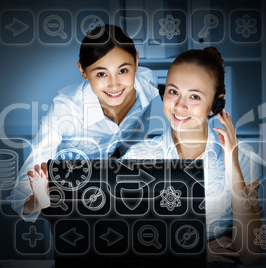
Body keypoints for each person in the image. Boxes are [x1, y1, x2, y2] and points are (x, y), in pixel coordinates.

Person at [122, 48, 265, 266]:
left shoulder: (244, 157)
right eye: (173, 92)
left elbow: (251, 254)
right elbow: (123, 243)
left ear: (216, 104)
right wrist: (193, 253)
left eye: (195, 96)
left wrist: (233, 166)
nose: (179, 105)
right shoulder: (137, 157)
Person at [10, 24, 166, 222]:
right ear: (83, 72)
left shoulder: (147, 83)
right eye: (101, 73)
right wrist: (40, 199)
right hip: (68, 193)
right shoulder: (65, 112)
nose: (114, 84)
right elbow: (20, 196)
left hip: (113, 184)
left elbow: (136, 136)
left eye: (123, 70)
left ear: (136, 62)